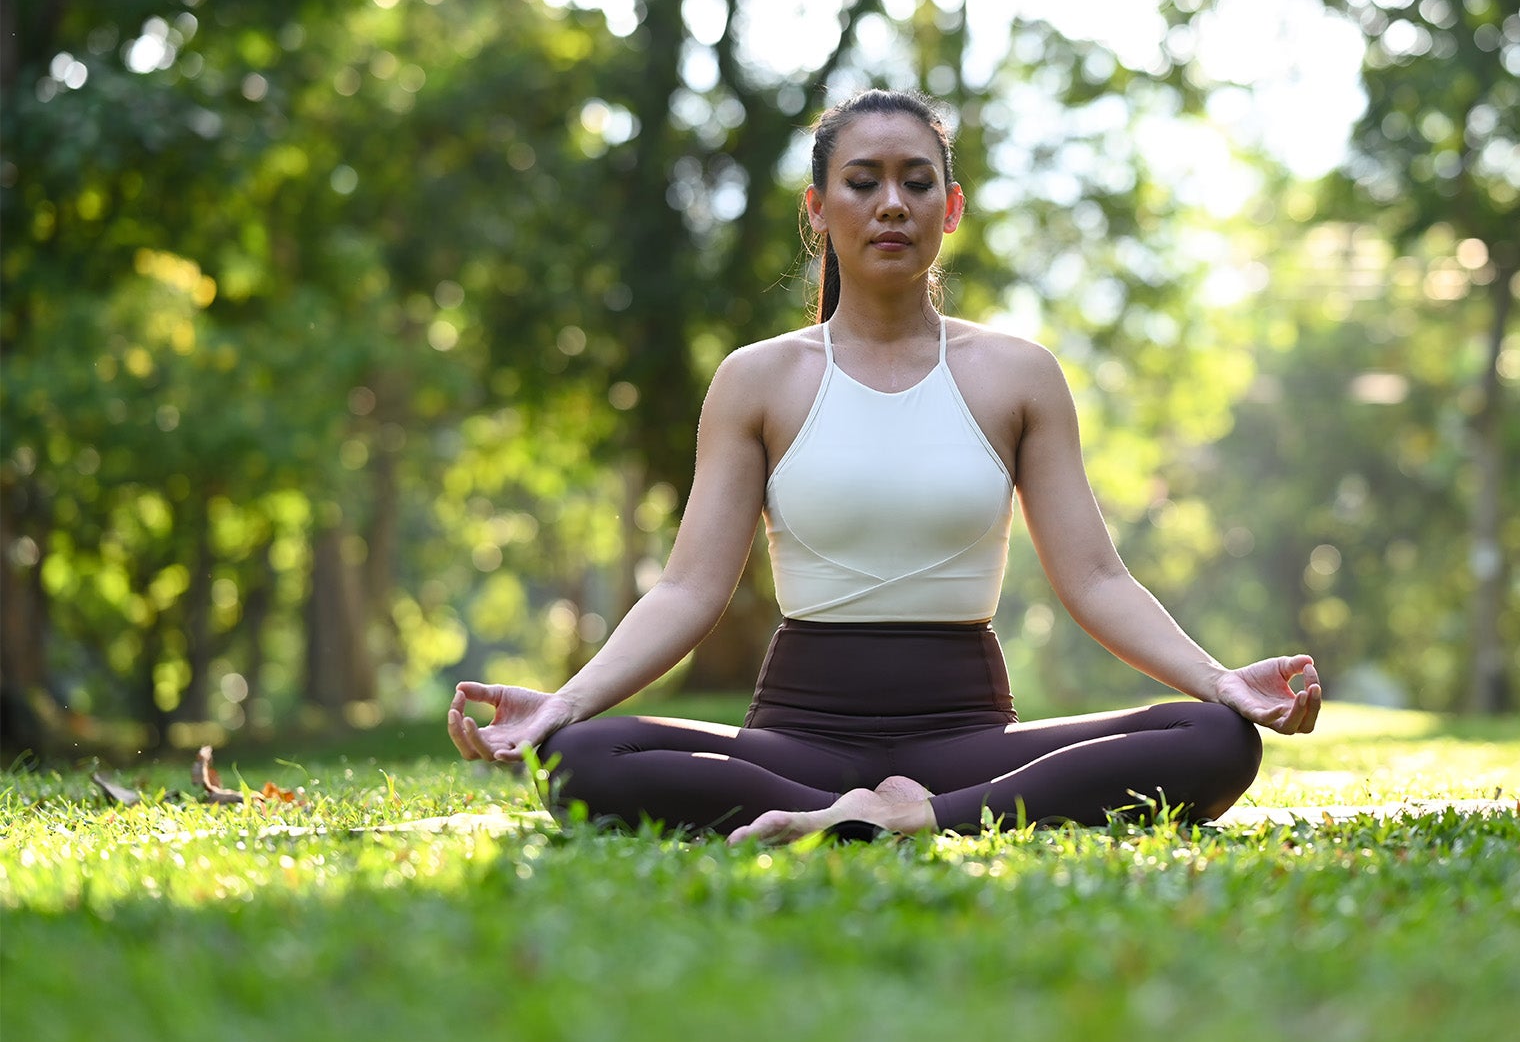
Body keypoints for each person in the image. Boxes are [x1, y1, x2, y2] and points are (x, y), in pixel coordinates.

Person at [448, 89, 1322, 845]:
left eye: (917, 181)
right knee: (581, 759)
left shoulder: (1018, 375)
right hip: (798, 736)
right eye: (863, 182)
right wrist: (565, 701)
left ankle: (916, 814)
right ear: (819, 209)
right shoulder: (759, 379)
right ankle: (866, 807)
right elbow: (686, 591)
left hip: (966, 734)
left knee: (1214, 740)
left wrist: (1219, 683)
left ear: (951, 208)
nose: (891, 203)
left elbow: (1094, 577)